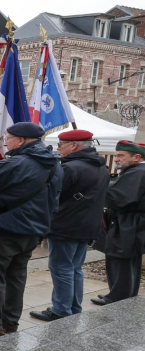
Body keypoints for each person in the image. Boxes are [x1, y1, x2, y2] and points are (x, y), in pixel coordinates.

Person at [0, 122, 62, 337]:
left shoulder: (17, 163)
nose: (5, 142)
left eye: (8, 137)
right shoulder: (55, 164)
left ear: (21, 140)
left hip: (5, 230)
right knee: (16, 279)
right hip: (33, 231)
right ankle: (10, 323)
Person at [30, 130, 109, 320]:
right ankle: (73, 308)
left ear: (74, 146)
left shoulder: (70, 167)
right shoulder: (101, 167)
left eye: (60, 145)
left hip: (66, 225)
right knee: (74, 268)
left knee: (61, 268)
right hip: (87, 225)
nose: (58, 149)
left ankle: (61, 311)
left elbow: (52, 195)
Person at [92, 140, 145, 305]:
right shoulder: (136, 170)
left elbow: (118, 198)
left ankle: (118, 298)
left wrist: (102, 188)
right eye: (116, 155)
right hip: (131, 222)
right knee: (128, 261)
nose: (116, 159)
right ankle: (121, 293)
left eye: (121, 155)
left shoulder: (138, 172)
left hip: (129, 223)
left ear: (137, 157)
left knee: (120, 260)